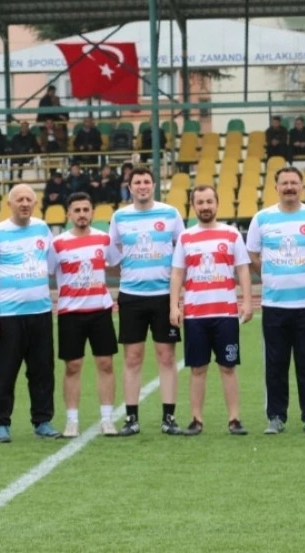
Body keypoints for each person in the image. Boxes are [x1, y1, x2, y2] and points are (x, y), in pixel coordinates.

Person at [246, 166, 305, 435]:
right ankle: (276, 417)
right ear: (276, 187)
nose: (290, 187)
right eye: (285, 183)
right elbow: (252, 255)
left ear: (302, 186)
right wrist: (271, 275)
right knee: (275, 364)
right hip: (274, 305)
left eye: (294, 183)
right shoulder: (262, 219)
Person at [0, 184, 61, 442]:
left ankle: (43, 421)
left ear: (35, 203)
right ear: (10, 204)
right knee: (5, 371)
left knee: (42, 370)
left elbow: (53, 266)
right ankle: (0, 423)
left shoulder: (42, 229)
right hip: (9, 316)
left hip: (41, 313)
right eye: (19, 199)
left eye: (29, 199)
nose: (24, 203)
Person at [109, 167, 186, 436]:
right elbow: (113, 254)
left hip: (164, 296)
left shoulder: (170, 213)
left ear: (153, 185)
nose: (142, 186)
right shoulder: (119, 217)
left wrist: (177, 297)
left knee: (166, 356)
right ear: (130, 187)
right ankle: (131, 419)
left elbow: (182, 251)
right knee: (132, 358)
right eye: (137, 182)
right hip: (132, 296)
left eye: (146, 182)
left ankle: (169, 418)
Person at [170, 186, 252, 436]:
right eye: (200, 202)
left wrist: (247, 301)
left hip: (225, 314)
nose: (205, 206)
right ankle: (196, 419)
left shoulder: (232, 234)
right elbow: (177, 273)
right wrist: (174, 305)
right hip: (195, 315)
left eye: (209, 201)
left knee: (228, 367)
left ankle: (234, 419)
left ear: (217, 203)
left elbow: (243, 269)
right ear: (193, 206)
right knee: (197, 368)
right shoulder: (185, 237)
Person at [53, 193, 121, 437]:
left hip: (100, 310)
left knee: (105, 363)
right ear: (68, 214)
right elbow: (47, 271)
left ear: (92, 212)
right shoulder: (57, 243)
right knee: (73, 366)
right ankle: (72, 421)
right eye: (77, 210)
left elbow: (117, 263)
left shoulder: (104, 239)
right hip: (70, 312)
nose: (82, 214)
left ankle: (107, 419)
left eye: (85, 209)